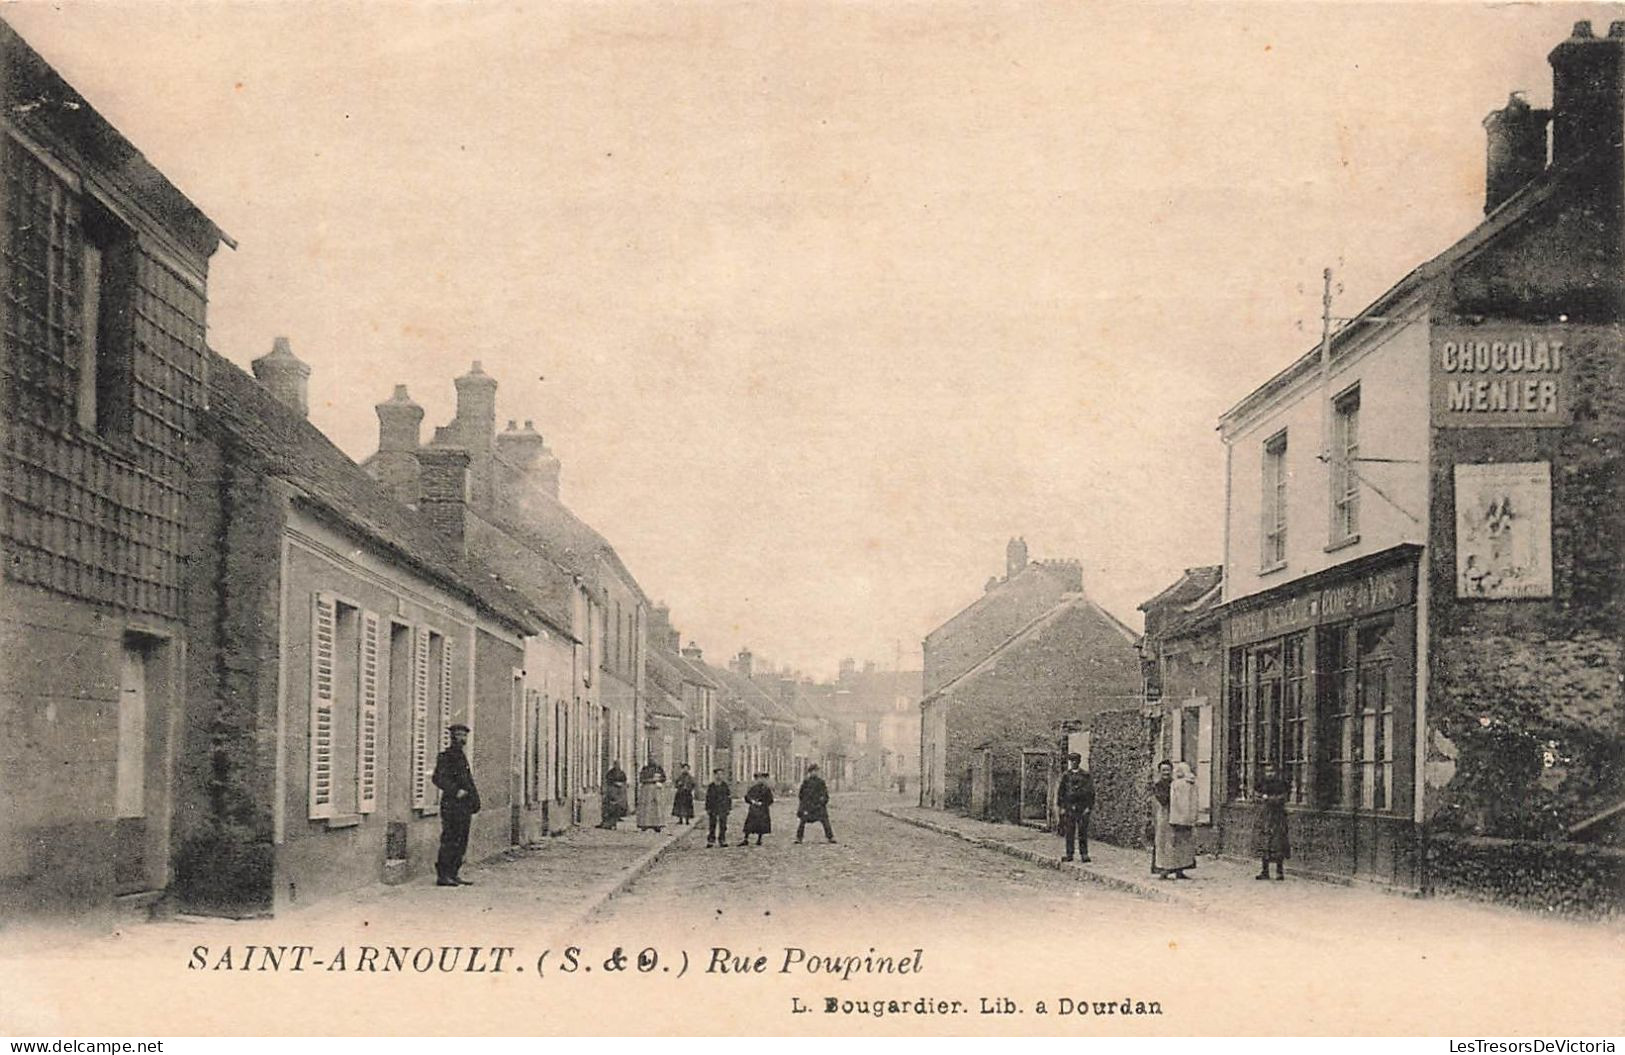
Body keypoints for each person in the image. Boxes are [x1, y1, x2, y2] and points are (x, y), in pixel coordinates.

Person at [432, 723, 480, 887]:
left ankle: (454, 873)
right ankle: (443, 875)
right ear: (452, 737)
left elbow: (468, 782)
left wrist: (474, 801)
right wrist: (455, 791)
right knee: (450, 838)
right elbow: (438, 778)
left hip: (464, 806)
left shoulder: (461, 756)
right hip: (451, 805)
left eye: (464, 735)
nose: (462, 738)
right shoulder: (445, 756)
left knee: (461, 840)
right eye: (459, 735)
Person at [1150, 759, 1195, 880]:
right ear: (1159, 772)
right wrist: (1174, 793)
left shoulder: (1177, 783)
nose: (1166, 772)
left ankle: (1180, 869)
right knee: (1165, 843)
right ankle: (1164, 869)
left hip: (1179, 815)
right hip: (1165, 816)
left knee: (1180, 842)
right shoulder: (1158, 785)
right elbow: (1163, 800)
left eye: (1168, 770)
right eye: (1163, 770)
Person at [1252, 765, 1291, 880]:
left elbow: (1283, 798)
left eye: (1272, 771)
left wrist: (1269, 799)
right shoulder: (1261, 784)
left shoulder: (1281, 784)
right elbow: (1255, 796)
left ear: (1276, 772)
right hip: (1264, 818)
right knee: (1265, 843)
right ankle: (1265, 871)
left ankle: (1280, 872)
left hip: (1277, 818)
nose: (1269, 774)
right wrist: (1261, 798)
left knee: (1278, 844)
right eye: (1267, 771)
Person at [1055, 752, 1095, 863]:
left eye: (1075, 761)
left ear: (1079, 762)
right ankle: (1069, 854)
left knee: (1082, 831)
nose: (1073, 763)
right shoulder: (1066, 776)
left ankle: (1084, 854)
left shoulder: (1085, 775)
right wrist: (1062, 807)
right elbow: (1061, 792)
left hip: (1081, 807)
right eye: (1071, 761)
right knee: (1069, 831)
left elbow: (1091, 792)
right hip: (1069, 807)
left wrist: (1088, 807)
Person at [795, 763, 836, 844]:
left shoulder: (821, 782)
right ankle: (799, 838)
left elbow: (825, 794)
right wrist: (804, 804)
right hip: (808, 806)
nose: (815, 773)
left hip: (818, 806)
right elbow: (801, 795)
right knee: (802, 821)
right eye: (813, 771)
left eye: (816, 771)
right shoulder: (806, 782)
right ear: (810, 772)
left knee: (825, 821)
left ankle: (830, 837)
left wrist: (823, 801)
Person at [739, 771, 774, 846]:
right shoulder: (753, 788)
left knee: (761, 825)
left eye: (762, 779)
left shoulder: (767, 789)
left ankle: (759, 839)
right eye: (758, 779)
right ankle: (746, 839)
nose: (760, 780)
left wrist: (763, 803)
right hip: (754, 809)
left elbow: (770, 800)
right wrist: (752, 801)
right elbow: (747, 797)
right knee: (749, 825)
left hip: (763, 809)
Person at [636, 758, 668, 832]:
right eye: (651, 759)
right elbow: (641, 778)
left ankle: (657, 824)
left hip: (656, 790)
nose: (652, 761)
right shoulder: (645, 769)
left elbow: (664, 778)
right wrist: (649, 780)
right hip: (646, 790)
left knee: (657, 807)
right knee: (646, 806)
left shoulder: (659, 769)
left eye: (654, 759)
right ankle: (645, 824)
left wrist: (658, 780)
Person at [704, 768, 732, 848]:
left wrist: (729, 808)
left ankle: (722, 839)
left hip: (723, 807)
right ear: (715, 775)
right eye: (718, 774)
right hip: (713, 807)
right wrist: (707, 808)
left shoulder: (725, 786)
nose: (719, 776)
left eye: (721, 774)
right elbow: (708, 797)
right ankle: (711, 840)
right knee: (712, 824)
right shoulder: (711, 786)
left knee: (723, 825)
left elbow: (728, 797)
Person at [600, 760, 629, 830]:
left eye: (618, 764)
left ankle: (614, 821)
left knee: (618, 808)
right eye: (616, 764)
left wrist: (622, 785)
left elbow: (624, 780)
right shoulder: (610, 773)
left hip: (619, 794)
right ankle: (608, 823)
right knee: (610, 808)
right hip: (612, 793)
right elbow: (608, 781)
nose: (617, 766)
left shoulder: (622, 773)